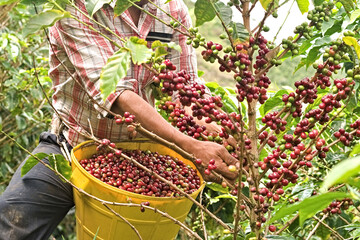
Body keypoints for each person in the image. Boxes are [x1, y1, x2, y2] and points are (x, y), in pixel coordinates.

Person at [0, 0, 238, 239]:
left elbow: (182, 88)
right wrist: (191, 146)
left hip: (140, 155)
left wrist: (211, 125)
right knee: (13, 225)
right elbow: (116, 94)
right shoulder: (78, 6)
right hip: (71, 145)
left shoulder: (171, 10)